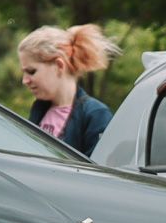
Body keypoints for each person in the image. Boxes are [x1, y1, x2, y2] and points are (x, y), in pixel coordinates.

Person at [19, 24, 120, 156]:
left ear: (59, 65)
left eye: (31, 71)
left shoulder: (95, 114)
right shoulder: (39, 109)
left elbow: (99, 170)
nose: (25, 80)